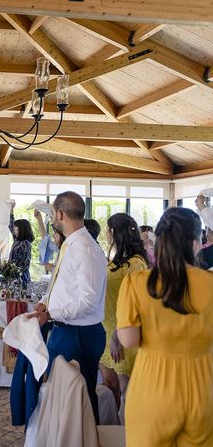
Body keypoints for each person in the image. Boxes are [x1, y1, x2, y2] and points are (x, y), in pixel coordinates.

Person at [117, 207, 213, 446]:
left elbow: (129, 340)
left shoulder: (136, 283)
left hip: (152, 386)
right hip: (204, 387)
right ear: (195, 243)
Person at [28, 191, 107, 423]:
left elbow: (88, 300)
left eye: (52, 213)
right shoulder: (70, 245)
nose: (52, 218)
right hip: (65, 329)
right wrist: (45, 302)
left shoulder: (85, 248)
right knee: (61, 396)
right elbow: (61, 283)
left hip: (79, 334)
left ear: (60, 214)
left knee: (80, 399)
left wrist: (51, 313)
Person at [99, 213, 148, 410]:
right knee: (110, 386)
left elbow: (138, 305)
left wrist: (118, 336)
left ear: (113, 232)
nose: (106, 234)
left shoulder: (135, 263)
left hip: (121, 332)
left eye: (108, 229)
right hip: (107, 328)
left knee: (127, 389)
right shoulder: (120, 259)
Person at [34, 209, 65, 273]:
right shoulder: (60, 247)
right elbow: (45, 241)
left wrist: (52, 269)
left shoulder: (69, 249)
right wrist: (39, 219)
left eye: (55, 233)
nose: (53, 235)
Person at [9, 219, 34, 286]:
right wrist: (11, 211)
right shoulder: (17, 241)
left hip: (22, 278)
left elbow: (22, 265)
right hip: (14, 276)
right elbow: (10, 226)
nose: (14, 230)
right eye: (14, 228)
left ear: (22, 229)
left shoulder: (25, 244)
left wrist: (8, 268)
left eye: (16, 228)